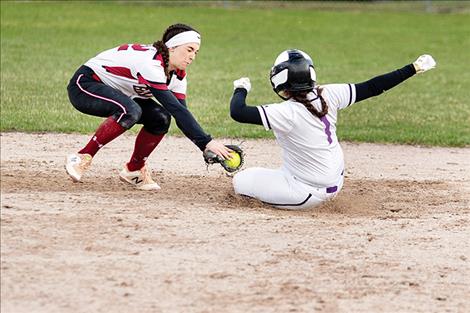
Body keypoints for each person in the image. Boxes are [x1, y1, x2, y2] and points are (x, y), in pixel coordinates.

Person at [229, 50, 436, 209]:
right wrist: (413, 67)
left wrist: (241, 88)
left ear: (279, 80)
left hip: (305, 194)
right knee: (281, 172)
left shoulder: (286, 112)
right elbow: (374, 87)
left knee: (241, 181)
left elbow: (238, 111)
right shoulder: (330, 93)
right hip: (336, 182)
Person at [66, 23, 231, 190]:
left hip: (120, 94)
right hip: (85, 85)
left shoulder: (177, 77)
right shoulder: (151, 64)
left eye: (196, 52)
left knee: (161, 118)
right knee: (131, 110)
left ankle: (134, 170)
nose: (193, 56)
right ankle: (82, 156)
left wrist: (204, 146)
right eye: (189, 49)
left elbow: (181, 114)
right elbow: (177, 109)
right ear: (172, 47)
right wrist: (207, 142)